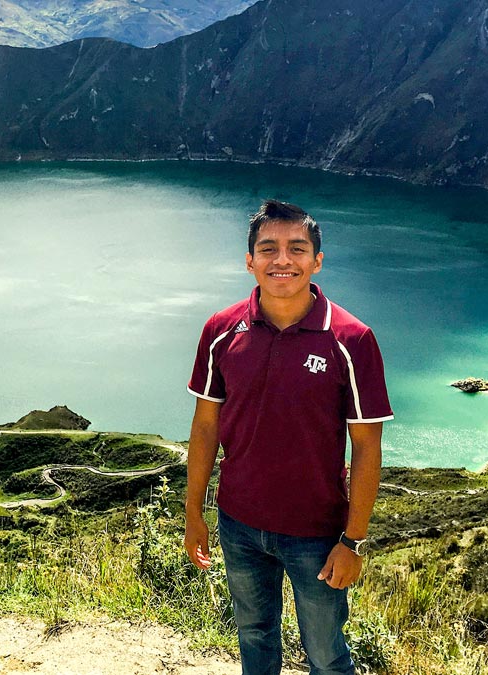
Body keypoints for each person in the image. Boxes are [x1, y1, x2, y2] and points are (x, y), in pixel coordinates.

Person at [183, 199, 392, 675]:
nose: (282, 260)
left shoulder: (351, 339)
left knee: (325, 653)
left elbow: (366, 446)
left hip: (317, 533)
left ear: (317, 260)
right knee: (254, 637)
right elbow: (204, 427)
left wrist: (353, 540)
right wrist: (194, 512)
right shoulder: (221, 331)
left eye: (297, 249)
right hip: (238, 522)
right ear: (250, 260)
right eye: (268, 248)